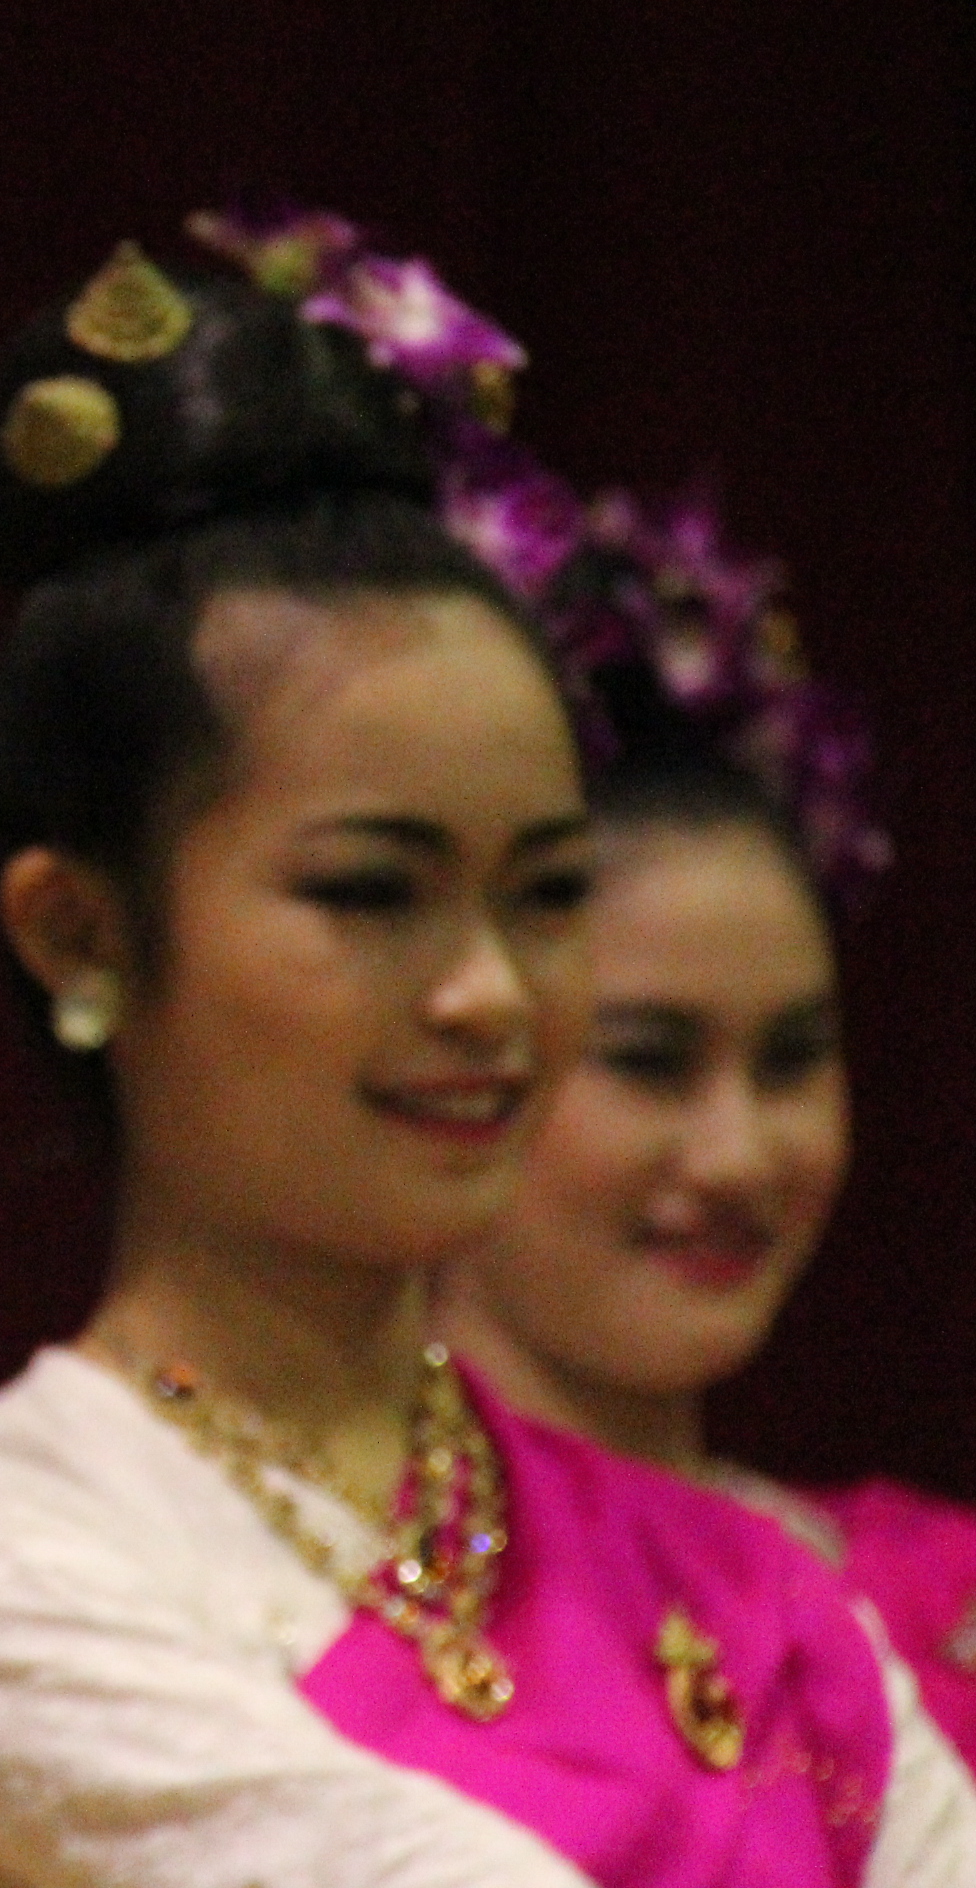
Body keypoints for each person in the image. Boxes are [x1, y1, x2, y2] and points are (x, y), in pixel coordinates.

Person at [0, 212, 976, 1885]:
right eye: (372, 891)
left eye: (545, 894)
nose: (491, 993)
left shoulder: (759, 1600)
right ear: (81, 934)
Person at [432, 449, 976, 1760]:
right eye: (649, 1061)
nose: (737, 1157)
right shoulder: (288, 1607)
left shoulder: (930, 1599)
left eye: (792, 1061)